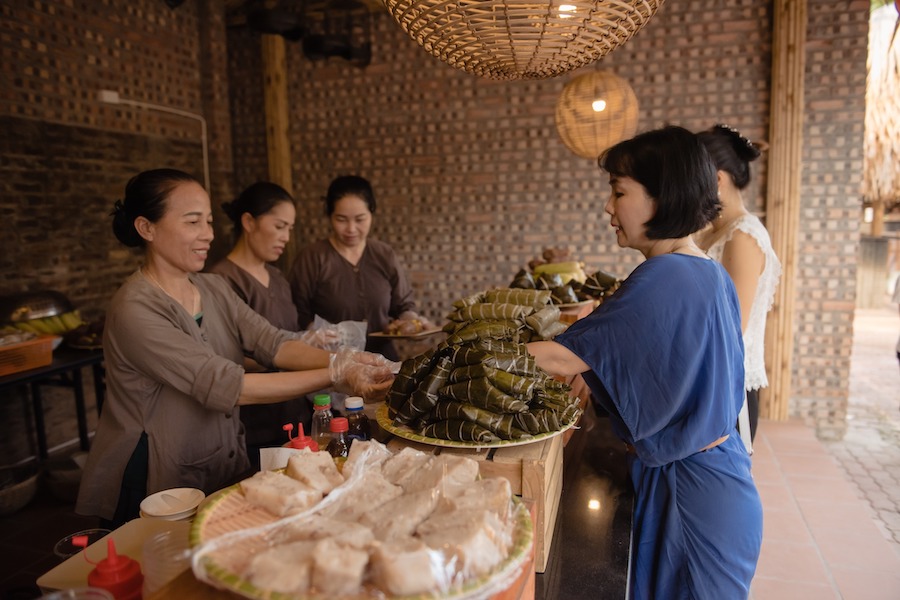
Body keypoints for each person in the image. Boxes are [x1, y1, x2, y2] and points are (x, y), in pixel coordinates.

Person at [75, 169, 395, 528]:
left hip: (217, 458)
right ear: (146, 228)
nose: (208, 234)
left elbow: (274, 343)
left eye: (209, 221)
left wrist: (345, 360)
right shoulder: (135, 308)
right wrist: (335, 375)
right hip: (155, 476)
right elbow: (226, 384)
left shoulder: (213, 289)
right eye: (193, 221)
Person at [526, 126, 762, 599]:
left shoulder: (666, 275)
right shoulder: (703, 269)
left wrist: (456, 357)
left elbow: (556, 356)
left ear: (662, 196)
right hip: (716, 479)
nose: (608, 208)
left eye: (619, 192)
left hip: (693, 497)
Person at [209, 181, 318, 469]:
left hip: (295, 413)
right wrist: (301, 349)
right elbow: (225, 361)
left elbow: (289, 336)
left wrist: (310, 342)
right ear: (248, 221)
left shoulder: (279, 278)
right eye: (279, 225)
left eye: (290, 229)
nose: (286, 237)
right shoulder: (221, 282)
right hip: (257, 422)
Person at [697, 124, 782, 443]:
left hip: (728, 390)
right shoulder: (712, 231)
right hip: (710, 384)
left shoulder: (742, 236)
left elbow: (732, 327)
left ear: (717, 179)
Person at [289, 175, 430, 360]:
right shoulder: (313, 257)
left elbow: (403, 305)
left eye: (360, 219)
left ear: (372, 213)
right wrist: (315, 335)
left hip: (382, 361)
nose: (351, 229)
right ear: (329, 215)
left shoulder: (383, 254)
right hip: (331, 365)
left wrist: (412, 323)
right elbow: (297, 312)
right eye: (341, 219)